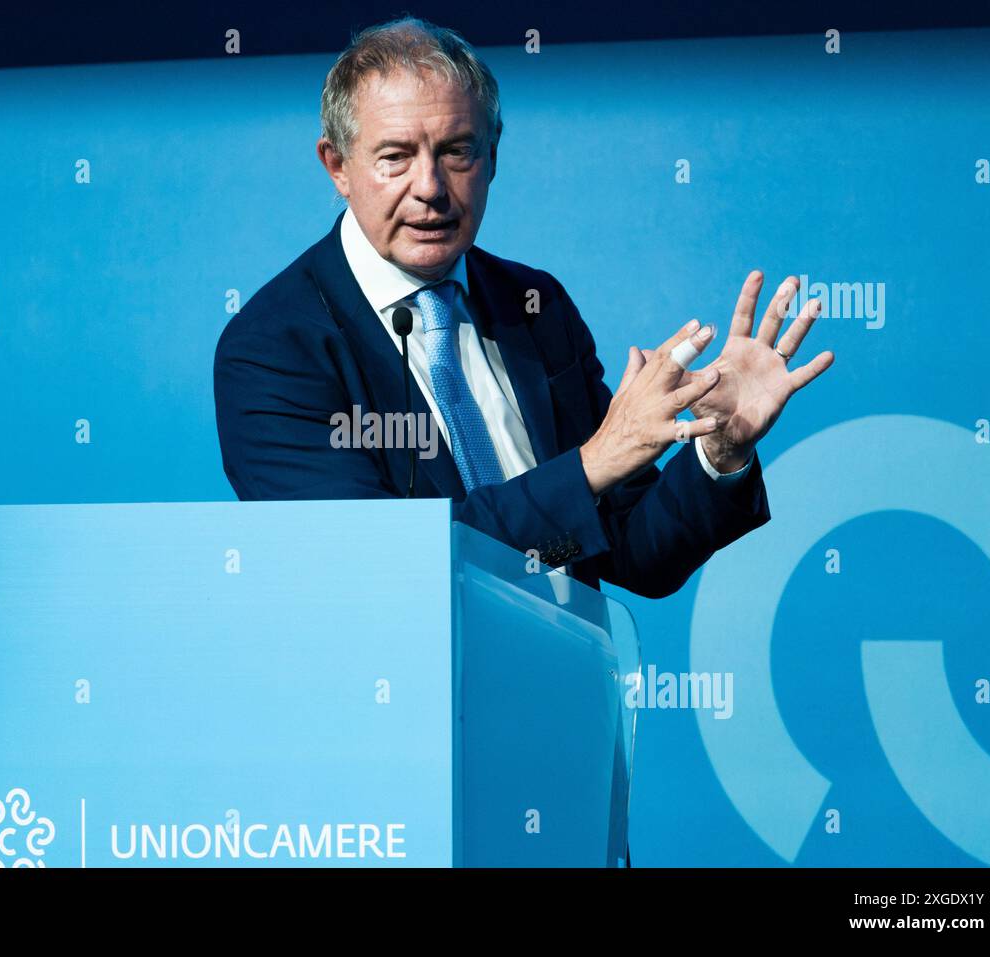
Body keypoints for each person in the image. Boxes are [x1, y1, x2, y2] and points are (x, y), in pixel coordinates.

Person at [213, 17, 833, 596]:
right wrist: (594, 463)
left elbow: (637, 554)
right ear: (338, 166)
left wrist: (720, 451)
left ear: (492, 157)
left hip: (562, 692)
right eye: (395, 157)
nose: (429, 188)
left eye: (457, 151)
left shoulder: (534, 306)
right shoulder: (272, 347)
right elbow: (370, 571)